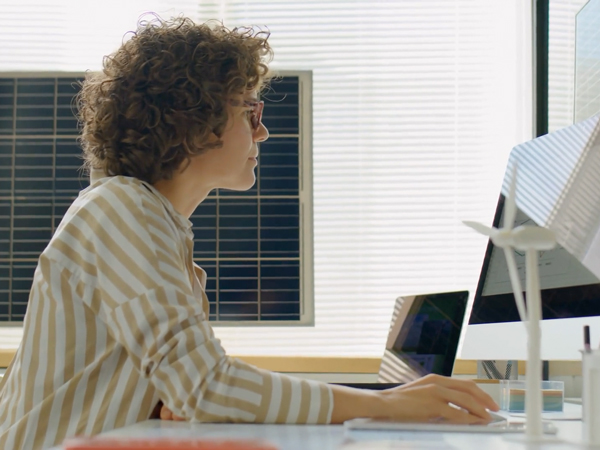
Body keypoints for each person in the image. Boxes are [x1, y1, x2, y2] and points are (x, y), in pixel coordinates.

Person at [0, 15, 498, 450]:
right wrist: (390, 405)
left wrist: (172, 399)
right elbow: (209, 387)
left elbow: (189, 390)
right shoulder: (121, 210)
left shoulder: (151, 224)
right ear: (192, 120)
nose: (263, 132)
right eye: (250, 112)